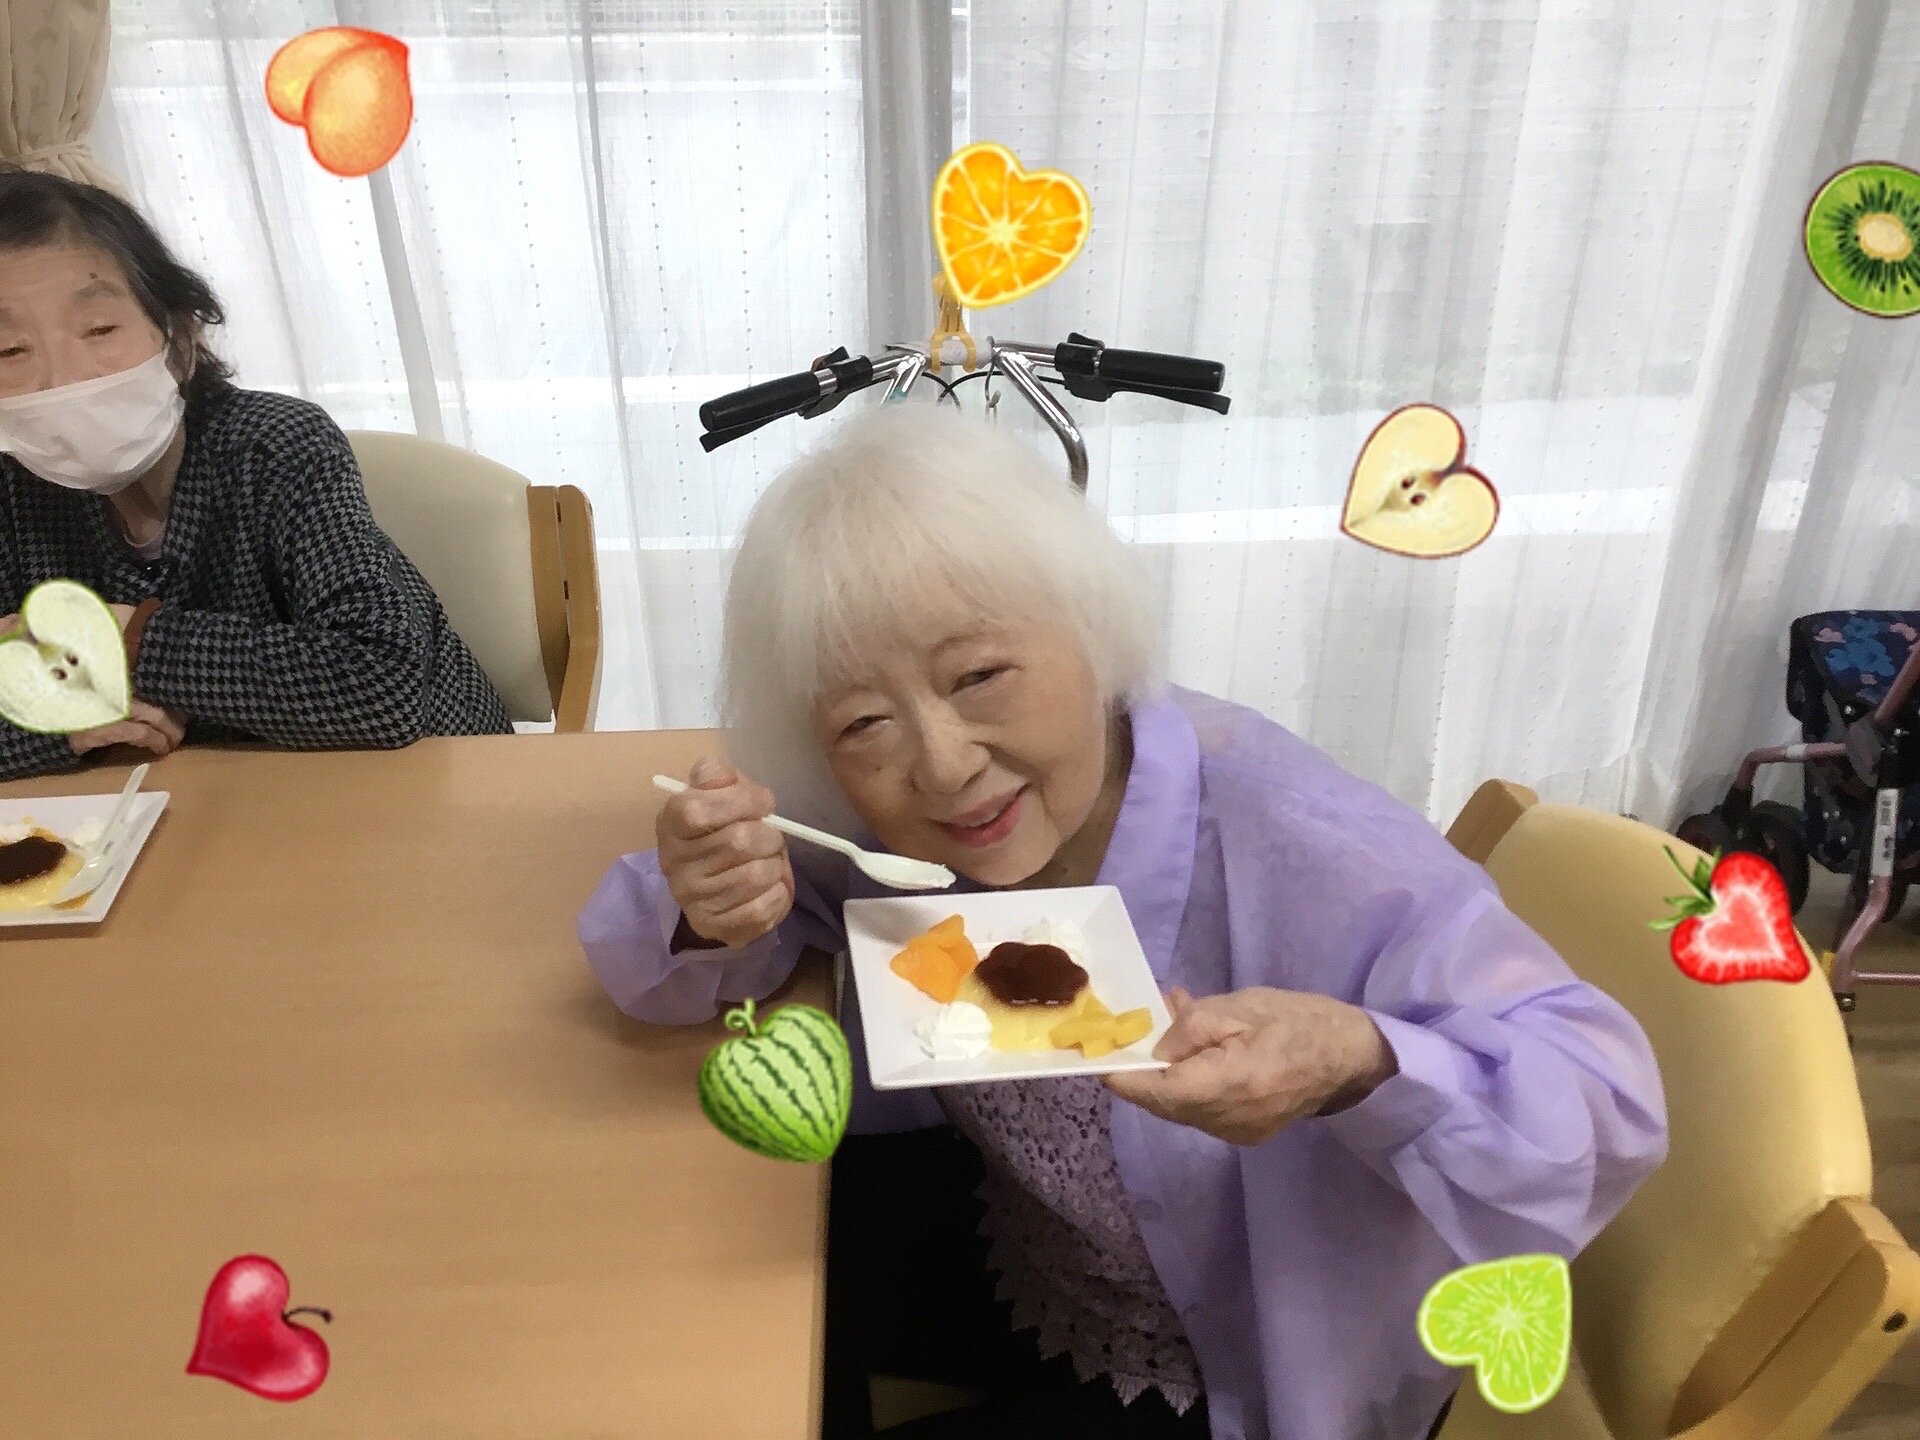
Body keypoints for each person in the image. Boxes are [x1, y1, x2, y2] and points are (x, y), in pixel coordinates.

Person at [578, 404, 1668, 1440]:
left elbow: (1603, 1100)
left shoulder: (1307, 845)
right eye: (865, 722)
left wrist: (1355, 1058)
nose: (944, 766)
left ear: (1094, 629)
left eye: (980, 675)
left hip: (1242, 1355)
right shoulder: (887, 828)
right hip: (1038, 1251)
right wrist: (714, 901)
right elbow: (677, 937)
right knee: (683, 1306)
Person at [0, 169, 510, 780]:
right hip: (193, 795)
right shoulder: (13, 487)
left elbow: (382, 684)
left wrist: (127, 637)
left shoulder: (277, 448)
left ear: (180, 339)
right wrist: (59, 729)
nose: (62, 378)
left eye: (100, 329)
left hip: (425, 777)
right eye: (9, 350)